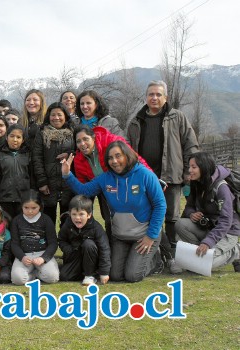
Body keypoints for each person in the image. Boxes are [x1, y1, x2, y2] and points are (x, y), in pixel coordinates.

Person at [61, 141, 166, 282]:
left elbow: (160, 205)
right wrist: (68, 175)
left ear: (127, 155)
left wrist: (151, 235)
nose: (114, 161)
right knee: (115, 275)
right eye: (110, 158)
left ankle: (155, 261)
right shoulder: (106, 178)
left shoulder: (145, 174)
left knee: (132, 275)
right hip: (120, 235)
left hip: (144, 235)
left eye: (118, 156)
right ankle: (135, 258)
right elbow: (84, 191)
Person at [127, 80, 200, 252]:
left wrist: (189, 170)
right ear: (146, 97)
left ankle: (173, 253)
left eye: (158, 94)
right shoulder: (135, 122)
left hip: (171, 176)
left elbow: (191, 145)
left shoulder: (178, 117)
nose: (154, 98)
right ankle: (155, 253)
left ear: (165, 98)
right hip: (144, 178)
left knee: (171, 217)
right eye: (151, 94)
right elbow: (128, 150)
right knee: (148, 215)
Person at [175, 152, 240, 269]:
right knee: (179, 224)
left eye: (193, 167)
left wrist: (208, 242)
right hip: (209, 227)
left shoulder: (221, 188)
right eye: (189, 166)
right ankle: (199, 254)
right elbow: (189, 206)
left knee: (206, 264)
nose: (189, 170)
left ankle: (236, 250)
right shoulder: (196, 183)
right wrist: (191, 214)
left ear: (204, 167)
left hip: (227, 232)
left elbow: (226, 221)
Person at [32, 102, 75, 224]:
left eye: (59, 115)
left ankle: (65, 243)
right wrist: (42, 181)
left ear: (65, 116)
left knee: (67, 220)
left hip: (68, 183)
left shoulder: (72, 132)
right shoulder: (42, 133)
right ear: (48, 116)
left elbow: (79, 151)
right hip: (48, 183)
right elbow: (37, 158)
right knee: (48, 221)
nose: (56, 118)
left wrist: (70, 153)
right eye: (53, 115)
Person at [58, 195, 111, 286]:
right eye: (74, 214)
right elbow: (61, 240)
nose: (77, 218)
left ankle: (90, 275)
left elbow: (104, 249)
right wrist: (68, 249)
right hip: (75, 254)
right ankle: (81, 273)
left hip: (92, 256)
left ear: (89, 215)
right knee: (64, 276)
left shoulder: (96, 227)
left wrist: (104, 272)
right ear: (70, 213)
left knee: (88, 244)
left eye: (81, 214)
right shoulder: (67, 224)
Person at [10, 190, 59, 285]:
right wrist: (22, 257)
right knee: (17, 279)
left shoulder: (46, 220)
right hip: (24, 255)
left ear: (40, 206)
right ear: (21, 206)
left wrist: (43, 258)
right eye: (26, 207)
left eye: (34, 208)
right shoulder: (16, 221)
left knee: (53, 277)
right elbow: (14, 244)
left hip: (42, 254)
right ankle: (32, 275)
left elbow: (53, 243)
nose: (30, 211)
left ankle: (37, 273)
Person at [0, 124, 31, 218]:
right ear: (6, 137)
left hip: (24, 198)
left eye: (18, 137)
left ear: (23, 140)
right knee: (7, 225)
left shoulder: (28, 155)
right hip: (5, 199)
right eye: (12, 136)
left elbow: (32, 176)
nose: (15, 140)